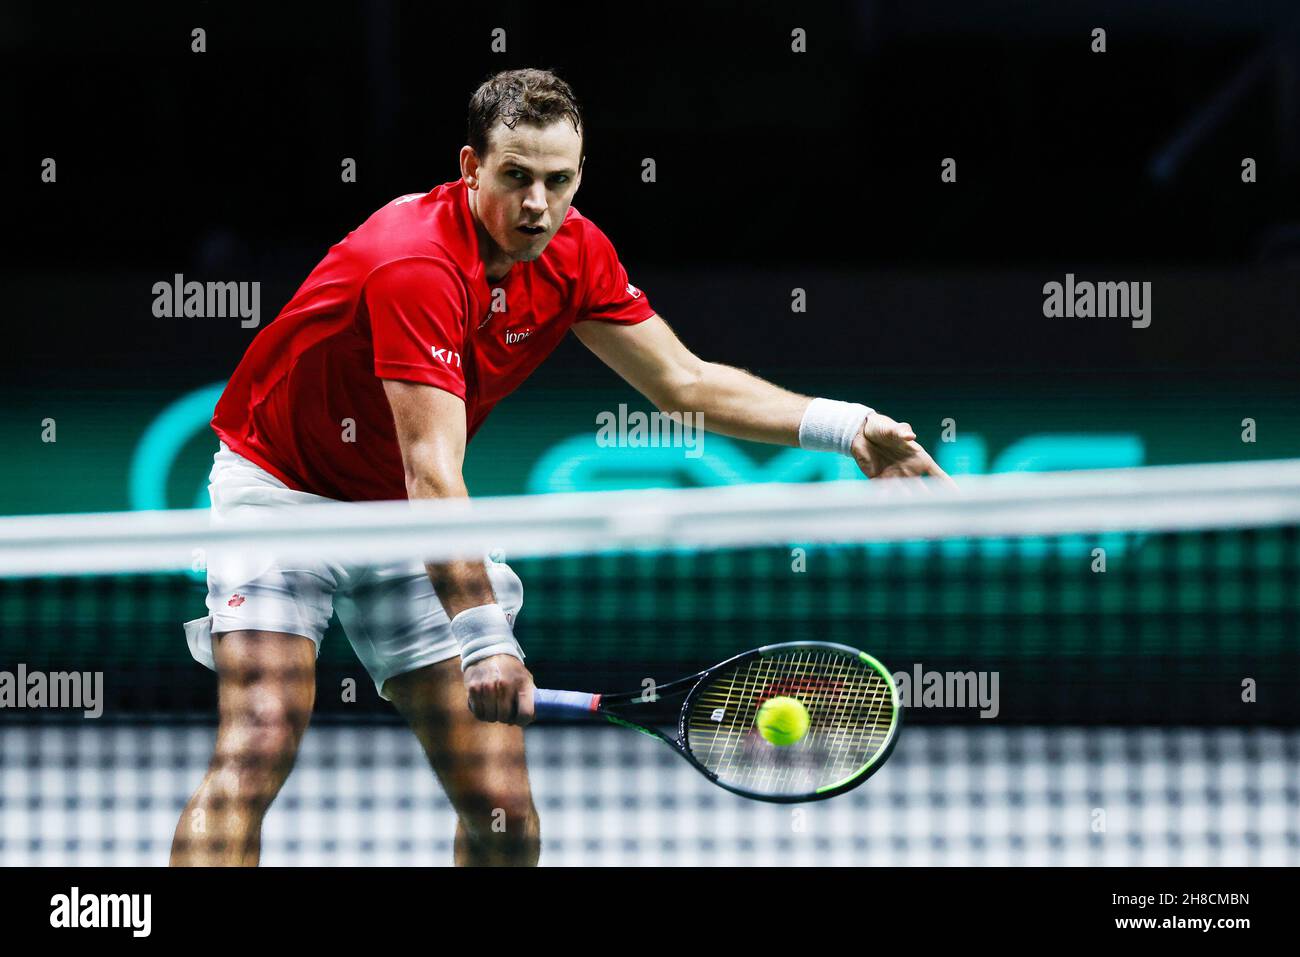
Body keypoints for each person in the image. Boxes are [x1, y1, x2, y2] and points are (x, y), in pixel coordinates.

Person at [171, 67, 951, 867]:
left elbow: (683, 383)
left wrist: (845, 427)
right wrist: (483, 640)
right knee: (259, 740)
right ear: (471, 168)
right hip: (283, 495)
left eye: (559, 180)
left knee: (504, 815)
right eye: (516, 178)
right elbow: (432, 472)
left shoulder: (576, 252)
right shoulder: (415, 263)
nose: (538, 205)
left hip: (406, 521)